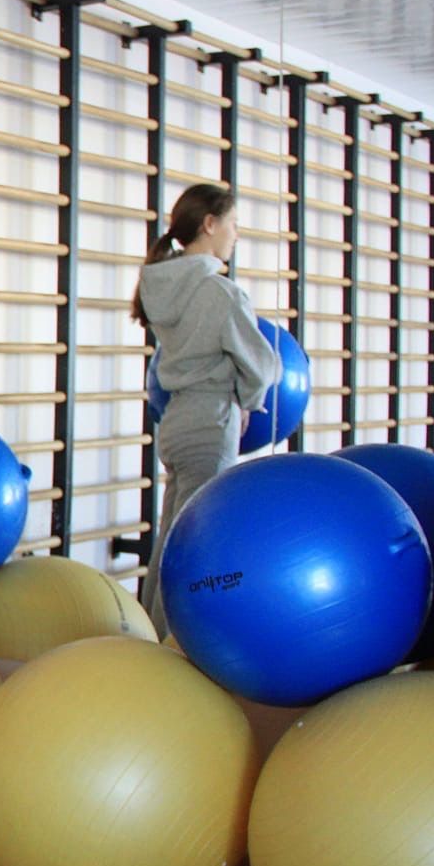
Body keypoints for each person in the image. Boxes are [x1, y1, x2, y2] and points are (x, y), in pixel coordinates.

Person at [131, 183, 279, 639]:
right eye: (233, 224)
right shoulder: (219, 292)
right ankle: (168, 647)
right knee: (194, 545)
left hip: (177, 420)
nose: (236, 234)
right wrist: (249, 400)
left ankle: (150, 636)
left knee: (171, 539)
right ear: (210, 224)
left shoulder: (162, 284)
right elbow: (263, 365)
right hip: (210, 421)